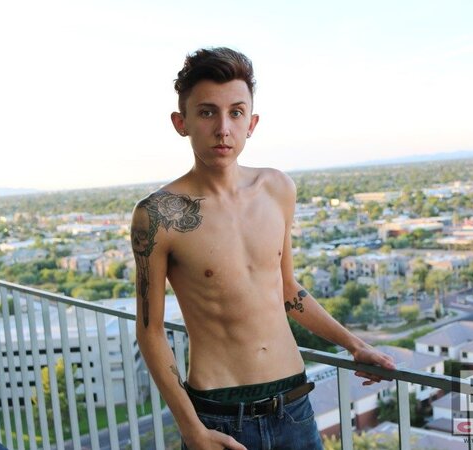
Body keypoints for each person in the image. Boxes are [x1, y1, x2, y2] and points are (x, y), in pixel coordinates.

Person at [131, 47, 396, 450]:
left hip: (295, 406)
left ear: (251, 123)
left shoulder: (277, 189)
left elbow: (287, 290)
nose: (223, 128)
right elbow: (150, 331)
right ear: (181, 122)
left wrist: (355, 345)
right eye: (207, 112)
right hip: (219, 415)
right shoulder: (158, 215)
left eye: (236, 112)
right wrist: (191, 429)